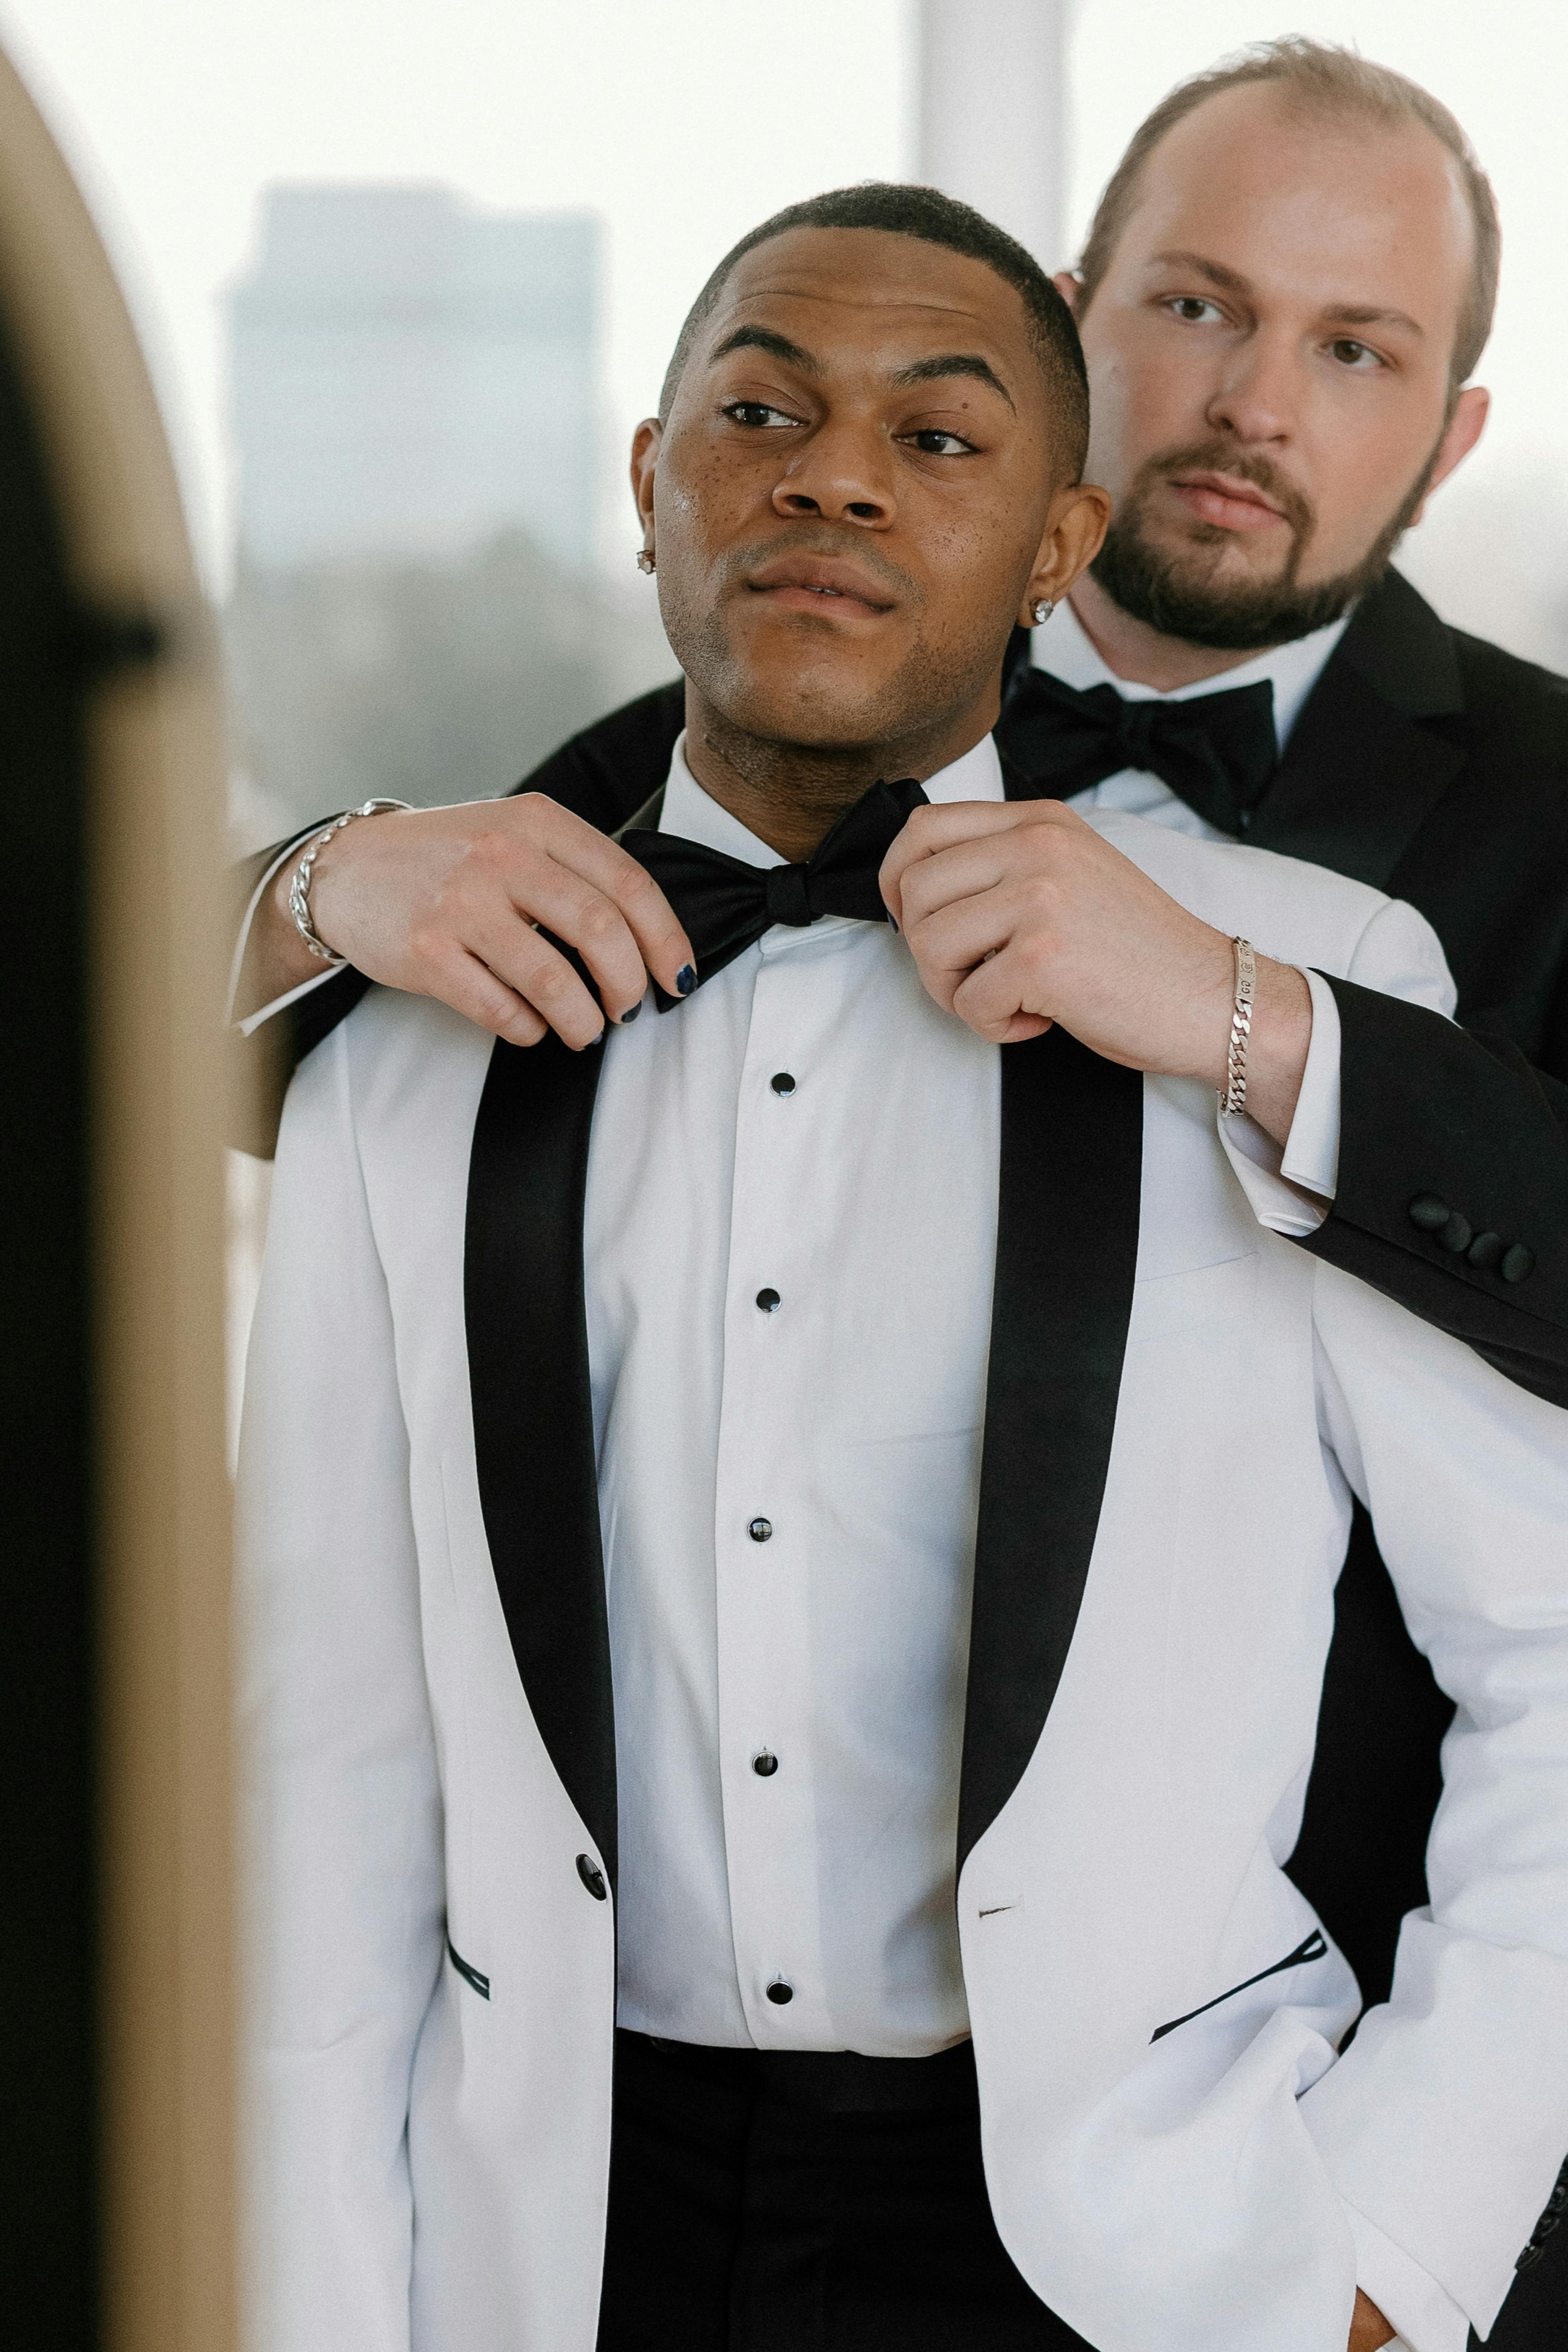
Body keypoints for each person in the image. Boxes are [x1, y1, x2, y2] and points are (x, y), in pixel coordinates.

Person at [227, 56, 1568, 2341]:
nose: (834, 476)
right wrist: (311, 881)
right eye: (763, 414)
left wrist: (1395, 2249)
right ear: (648, 480)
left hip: (1183, 2215)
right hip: (555, 2227)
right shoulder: (487, 946)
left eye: (1355, 347)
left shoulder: (1345, 945)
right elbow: (319, 1760)